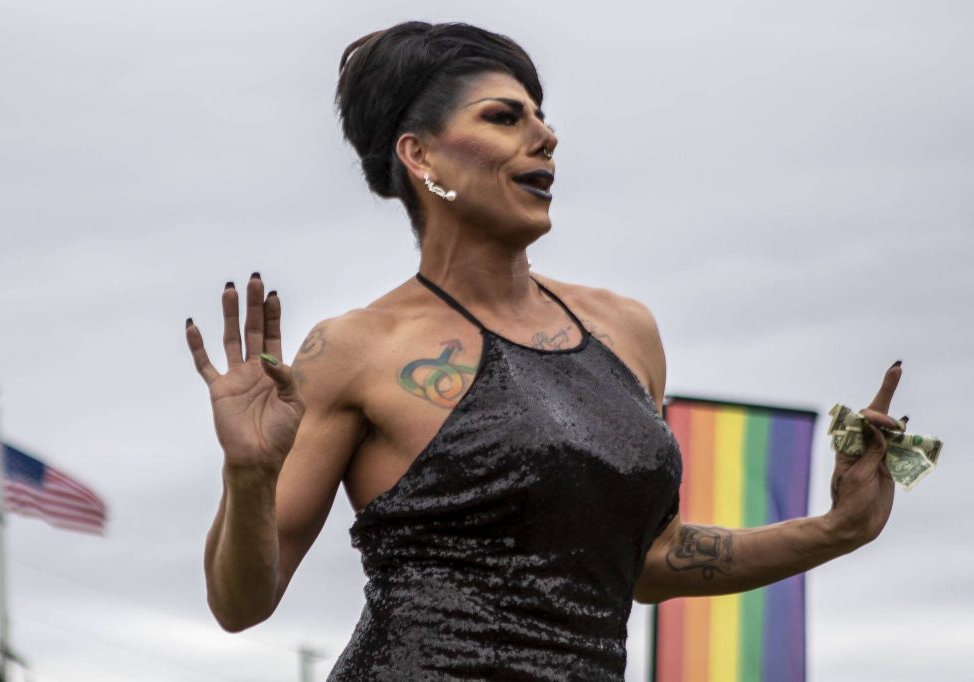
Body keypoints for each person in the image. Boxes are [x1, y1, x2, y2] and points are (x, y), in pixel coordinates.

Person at [185, 21, 904, 680]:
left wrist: (836, 529)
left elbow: (650, 561)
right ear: (421, 155)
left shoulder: (627, 329)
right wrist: (248, 474)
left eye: (541, 114)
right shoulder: (356, 348)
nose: (546, 134)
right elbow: (242, 603)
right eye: (504, 116)